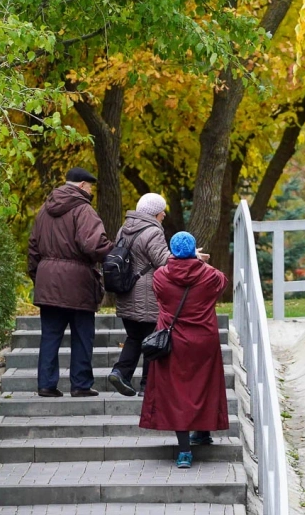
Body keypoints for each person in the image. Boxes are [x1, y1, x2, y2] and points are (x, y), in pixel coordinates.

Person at [139, 231, 228, 469]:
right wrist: (199, 262)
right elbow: (222, 281)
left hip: (173, 341)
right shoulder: (210, 275)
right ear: (194, 250)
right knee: (205, 385)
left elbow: (160, 294)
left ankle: (184, 451)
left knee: (177, 392)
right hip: (204, 339)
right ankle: (203, 432)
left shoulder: (160, 276)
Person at [27, 167, 113, 398]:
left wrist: (41, 277)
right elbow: (92, 245)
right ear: (83, 185)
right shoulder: (84, 210)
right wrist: (114, 252)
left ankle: (46, 384)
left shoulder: (44, 210)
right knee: (82, 334)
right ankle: (81, 384)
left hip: (48, 281)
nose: (91, 190)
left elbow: (33, 248)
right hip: (78, 282)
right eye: (90, 186)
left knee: (50, 335)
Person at [107, 193, 171, 397]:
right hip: (147, 294)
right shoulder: (153, 232)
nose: (163, 215)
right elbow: (163, 261)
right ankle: (148, 386)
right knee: (153, 339)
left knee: (134, 336)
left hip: (126, 291)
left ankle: (120, 372)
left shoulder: (124, 229)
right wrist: (190, 255)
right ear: (155, 213)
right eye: (162, 212)